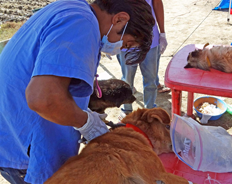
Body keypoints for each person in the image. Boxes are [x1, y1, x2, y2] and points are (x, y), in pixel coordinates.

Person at [0, 0, 155, 183]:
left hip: (10, 136)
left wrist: (81, 112)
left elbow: (56, 85)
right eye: (126, 44)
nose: (120, 49)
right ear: (120, 19)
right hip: (25, 146)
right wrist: (86, 123)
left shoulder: (72, 9)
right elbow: (42, 98)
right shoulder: (82, 24)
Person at [117, 0, 169, 117]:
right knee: (127, 80)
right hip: (126, 40)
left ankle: (149, 110)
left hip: (149, 37)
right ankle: (127, 110)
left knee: (150, 79)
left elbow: (157, 3)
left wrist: (162, 33)